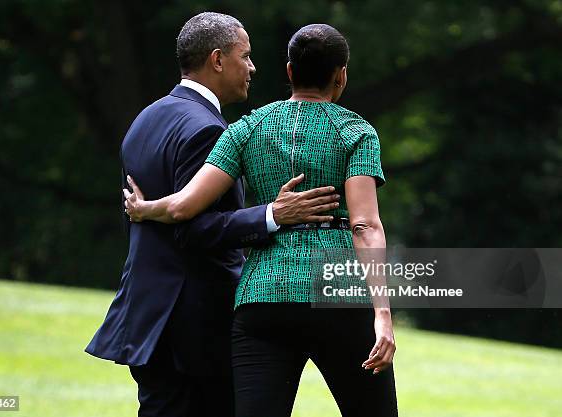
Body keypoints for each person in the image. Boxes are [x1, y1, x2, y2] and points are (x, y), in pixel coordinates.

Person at [125, 23, 398, 417]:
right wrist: (383, 315)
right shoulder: (356, 132)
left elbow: (183, 206)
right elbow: (365, 226)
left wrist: (143, 209)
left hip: (262, 301)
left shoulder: (245, 129)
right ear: (341, 75)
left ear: (289, 71)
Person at [85, 14, 340, 417]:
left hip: (146, 317)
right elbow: (193, 231)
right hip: (194, 327)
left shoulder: (146, 119)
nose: (253, 67)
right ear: (218, 60)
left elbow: (138, 218)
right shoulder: (206, 129)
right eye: (246, 56)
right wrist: (273, 215)